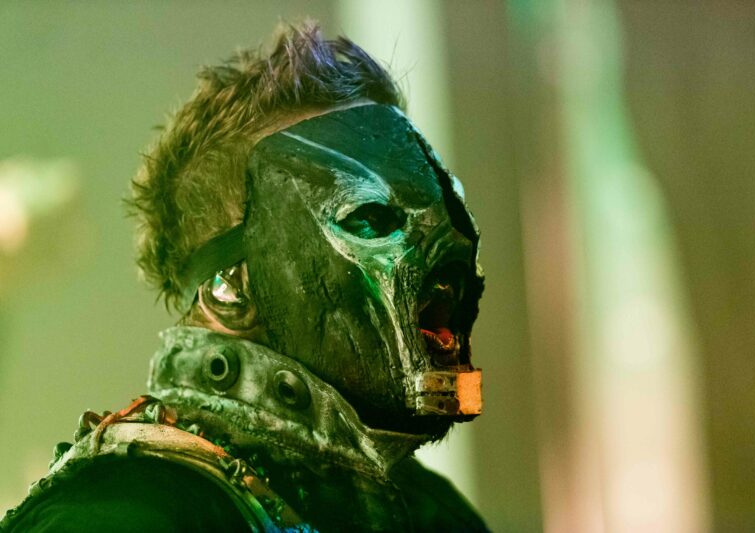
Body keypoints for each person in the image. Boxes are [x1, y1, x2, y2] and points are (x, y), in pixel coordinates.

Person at [1, 23, 487, 532]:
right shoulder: (116, 518)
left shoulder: (435, 513)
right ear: (230, 290)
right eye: (370, 217)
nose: (454, 245)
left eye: (449, 210)